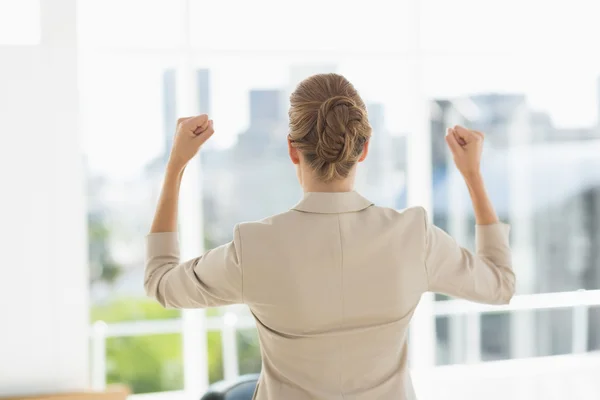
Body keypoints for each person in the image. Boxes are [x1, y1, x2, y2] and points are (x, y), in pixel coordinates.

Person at [145, 73, 515, 400]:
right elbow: (500, 284)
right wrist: (472, 175)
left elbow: (160, 282)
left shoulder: (254, 246)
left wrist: (176, 165)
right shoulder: (413, 236)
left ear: (293, 149)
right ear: (364, 148)